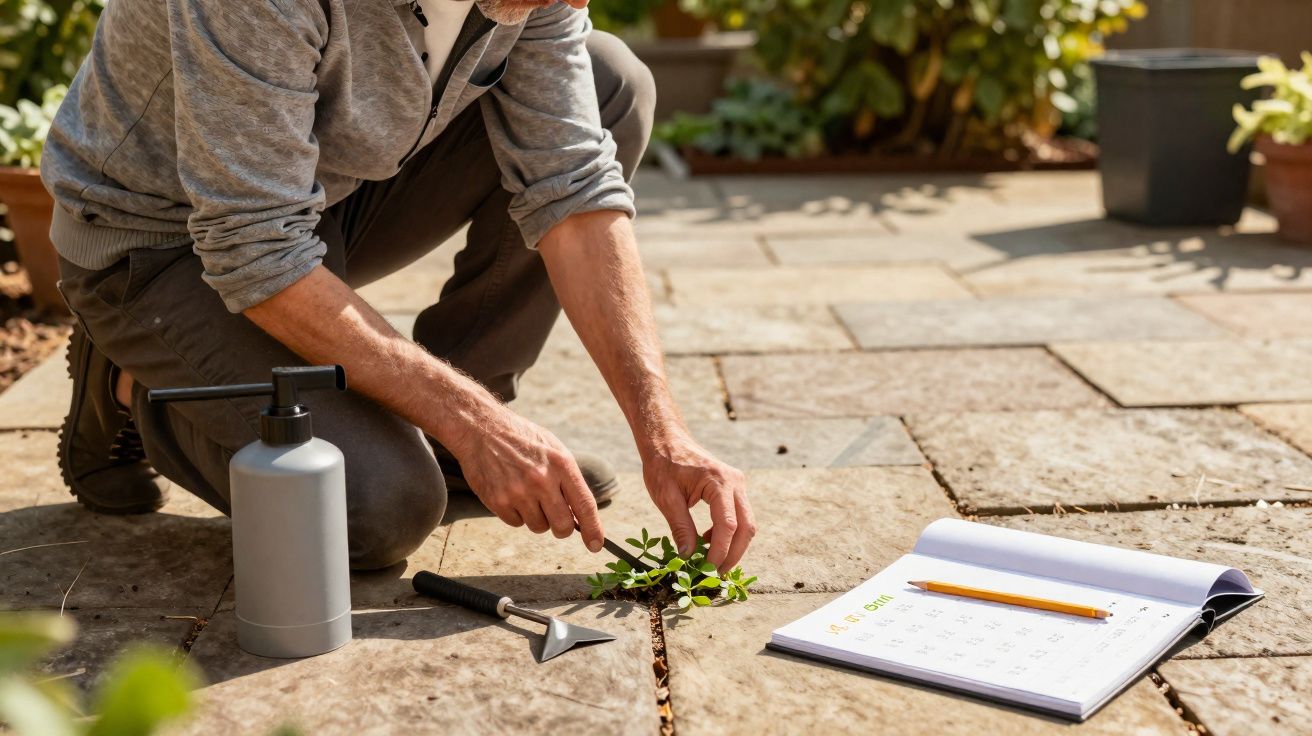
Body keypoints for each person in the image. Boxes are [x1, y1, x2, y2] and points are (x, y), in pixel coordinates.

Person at [41, 0, 756, 572]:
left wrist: (663, 435)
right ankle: (130, 384)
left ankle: (461, 442)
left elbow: (570, 184)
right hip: (161, 241)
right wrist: (473, 422)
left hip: (319, 204)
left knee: (609, 85)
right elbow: (255, 247)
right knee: (375, 513)